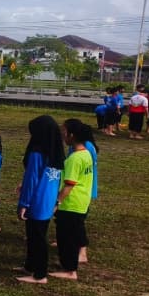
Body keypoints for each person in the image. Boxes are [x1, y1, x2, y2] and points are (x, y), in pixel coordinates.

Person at [16, 115, 66, 284]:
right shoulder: (56, 152)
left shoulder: (37, 153)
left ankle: (40, 274)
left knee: (37, 238)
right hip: (48, 199)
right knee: (35, 234)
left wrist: (24, 203)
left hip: (36, 200)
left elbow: (32, 180)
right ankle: (30, 265)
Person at [52, 119, 95, 281]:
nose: (63, 136)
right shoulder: (86, 154)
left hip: (71, 203)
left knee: (66, 238)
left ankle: (70, 270)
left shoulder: (75, 159)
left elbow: (69, 185)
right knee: (73, 234)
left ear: (71, 135)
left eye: (64, 132)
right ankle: (69, 265)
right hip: (81, 201)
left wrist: (57, 202)